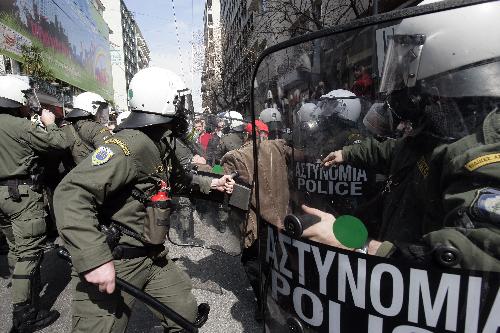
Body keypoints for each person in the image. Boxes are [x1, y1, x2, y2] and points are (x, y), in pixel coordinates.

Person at [317, 1, 500, 271]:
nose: (401, 90)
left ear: (445, 75)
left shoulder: (482, 151)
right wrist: (347, 153)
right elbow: (395, 150)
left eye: (408, 77)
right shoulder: (438, 132)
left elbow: (476, 252)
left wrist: (366, 248)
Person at [53, 67, 235, 332]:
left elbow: (178, 180)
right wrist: (94, 260)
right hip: (117, 260)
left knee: (185, 316)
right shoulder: (129, 145)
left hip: (152, 255)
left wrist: (213, 182)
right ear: (165, 102)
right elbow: (70, 193)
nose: (184, 110)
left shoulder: (160, 139)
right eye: (179, 101)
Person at [0, 75, 66, 332]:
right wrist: (49, 124)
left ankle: (27, 292)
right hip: (21, 196)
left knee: (15, 248)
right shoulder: (19, 126)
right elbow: (59, 143)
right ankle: (24, 315)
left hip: (2, 198)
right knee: (29, 252)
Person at [221, 120, 290, 307]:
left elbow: (235, 200)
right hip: (284, 218)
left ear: (247, 135)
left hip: (256, 223)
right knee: (280, 260)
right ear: (265, 134)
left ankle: (264, 303)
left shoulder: (234, 156)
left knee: (252, 261)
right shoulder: (280, 147)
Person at [63, 92, 113, 165]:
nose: (101, 114)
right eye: (99, 110)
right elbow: (111, 160)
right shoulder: (97, 128)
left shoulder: (66, 128)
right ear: (93, 108)